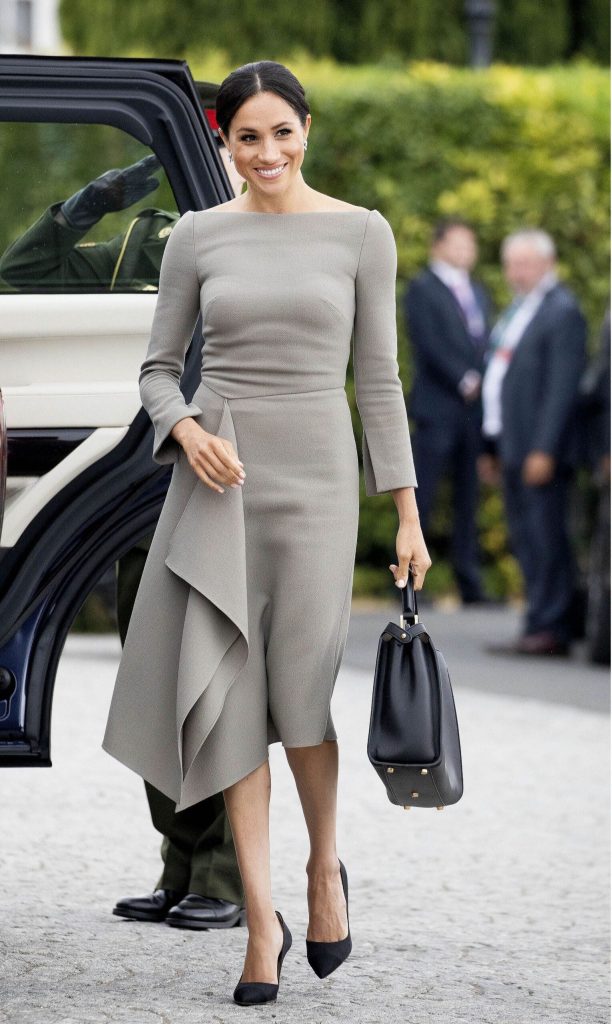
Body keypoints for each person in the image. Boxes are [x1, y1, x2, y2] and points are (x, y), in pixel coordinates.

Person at [101, 59, 431, 1006]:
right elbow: (157, 369)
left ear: (307, 129)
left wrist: (407, 514)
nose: (268, 151)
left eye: (282, 132)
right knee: (233, 706)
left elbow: (378, 381)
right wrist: (187, 428)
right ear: (226, 142)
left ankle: (324, 869)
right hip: (221, 482)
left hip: (319, 487)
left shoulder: (362, 233)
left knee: (302, 701)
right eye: (248, 136)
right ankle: (258, 921)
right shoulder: (197, 235)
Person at [0, 143, 250, 931]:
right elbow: (26, 270)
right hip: (145, 486)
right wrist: (106, 193)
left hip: (225, 479)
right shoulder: (153, 239)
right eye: (216, 145)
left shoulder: (272, 235)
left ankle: (229, 873)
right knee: (155, 683)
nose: (232, 158)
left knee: (214, 682)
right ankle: (182, 864)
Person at [480, 228, 587, 656]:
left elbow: (562, 388)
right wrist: (490, 446)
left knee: (547, 539)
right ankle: (538, 621)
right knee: (526, 538)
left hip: (540, 450)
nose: (516, 272)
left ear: (548, 263)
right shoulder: (519, 310)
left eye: (524, 264)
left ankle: (552, 627)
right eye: (511, 264)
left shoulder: (562, 311)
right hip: (511, 444)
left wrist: (544, 448)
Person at [404, 218, 491, 604]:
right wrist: (464, 379)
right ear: (438, 246)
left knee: (468, 498)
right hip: (437, 407)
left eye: (470, 244)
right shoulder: (422, 287)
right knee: (421, 497)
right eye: (458, 244)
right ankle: (409, 581)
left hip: (473, 413)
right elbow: (427, 342)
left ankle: (469, 582)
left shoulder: (478, 291)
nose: (466, 251)